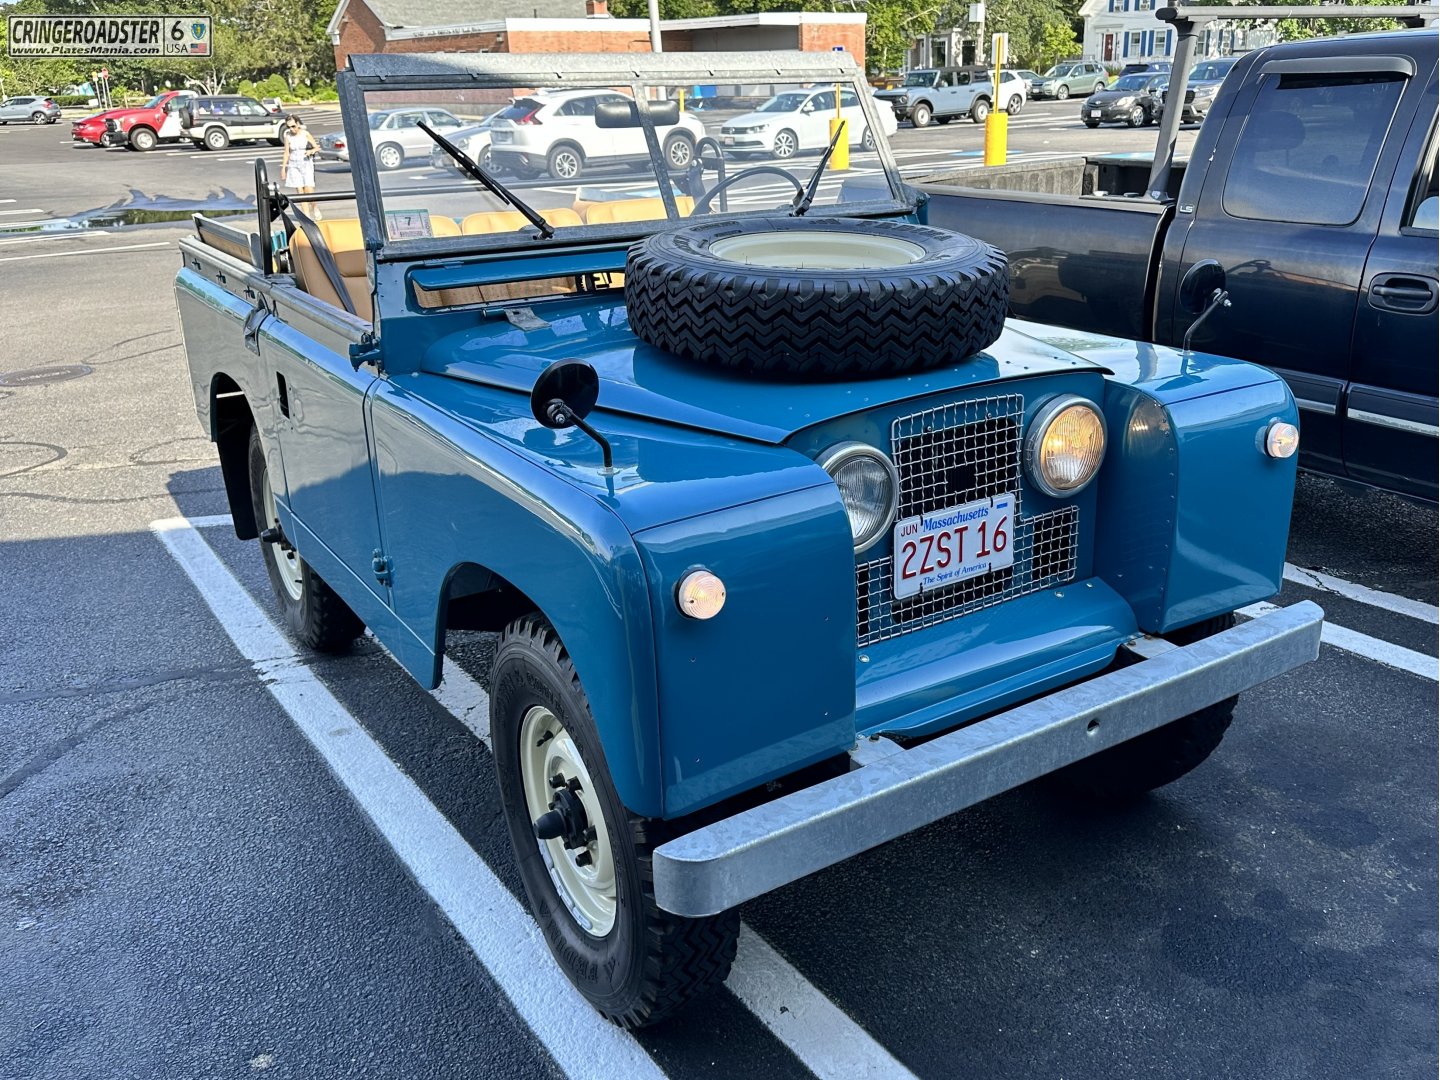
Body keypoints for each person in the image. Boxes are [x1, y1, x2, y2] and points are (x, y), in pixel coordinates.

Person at [280, 114, 320, 215]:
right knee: (299, 189)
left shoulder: (305, 134)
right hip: (294, 162)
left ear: (298, 124)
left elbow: (316, 147)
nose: (291, 129)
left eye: (293, 126)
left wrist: (311, 151)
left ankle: (314, 207)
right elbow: (286, 152)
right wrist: (283, 168)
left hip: (305, 161)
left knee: (308, 188)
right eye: (289, 127)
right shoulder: (288, 136)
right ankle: (306, 215)